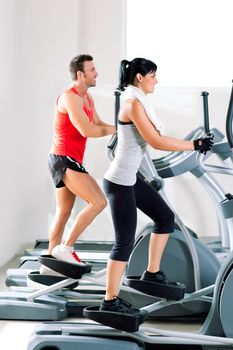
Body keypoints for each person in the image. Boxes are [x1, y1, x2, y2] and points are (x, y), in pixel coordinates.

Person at [100, 57, 213, 313]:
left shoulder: (139, 101)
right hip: (119, 183)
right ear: (139, 78)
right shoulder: (131, 104)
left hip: (130, 179)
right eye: (153, 76)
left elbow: (155, 138)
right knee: (124, 243)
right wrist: (193, 145)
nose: (157, 81)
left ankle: (151, 273)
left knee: (165, 218)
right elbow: (156, 141)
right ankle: (109, 301)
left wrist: (193, 145)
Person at [43, 54, 115, 270]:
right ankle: (66, 247)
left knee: (63, 213)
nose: (97, 73)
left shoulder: (87, 98)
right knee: (99, 202)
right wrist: (118, 130)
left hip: (69, 159)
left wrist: (120, 128)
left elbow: (98, 123)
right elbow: (87, 130)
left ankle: (49, 263)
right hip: (63, 158)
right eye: (92, 70)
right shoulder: (69, 97)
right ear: (80, 74)